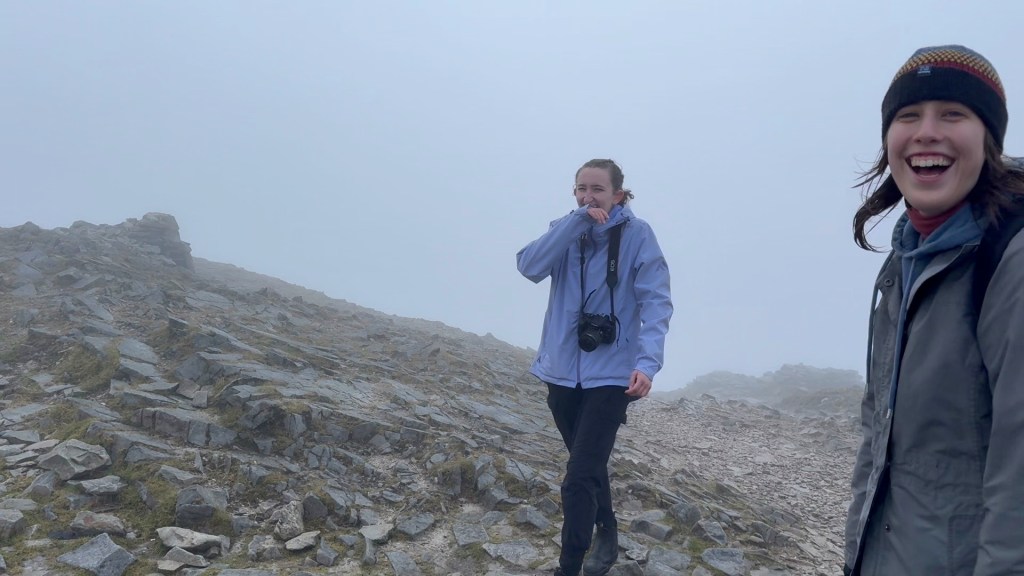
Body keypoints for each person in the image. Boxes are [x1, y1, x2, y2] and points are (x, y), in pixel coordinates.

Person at [845, 45, 1024, 575]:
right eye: (908, 116)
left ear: (988, 138)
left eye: (953, 113)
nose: (926, 131)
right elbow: (877, 438)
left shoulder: (1008, 262)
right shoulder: (906, 259)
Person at [516, 158, 672, 576]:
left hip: (612, 376)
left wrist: (647, 362)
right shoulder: (564, 231)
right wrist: (575, 225)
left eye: (598, 189)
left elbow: (656, 302)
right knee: (588, 464)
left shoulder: (638, 236)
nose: (589, 196)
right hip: (562, 372)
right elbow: (528, 267)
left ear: (618, 195)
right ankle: (607, 524)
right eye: (581, 188)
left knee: (578, 476)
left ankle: (569, 567)